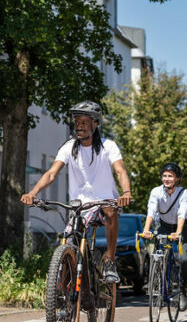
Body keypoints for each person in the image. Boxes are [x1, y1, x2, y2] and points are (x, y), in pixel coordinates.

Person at [21, 100, 131, 284]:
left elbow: (120, 171)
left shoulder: (108, 146)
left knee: (110, 209)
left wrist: (126, 192)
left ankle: (110, 259)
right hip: (79, 206)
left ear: (95, 124)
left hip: (104, 203)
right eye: (77, 123)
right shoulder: (69, 147)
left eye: (84, 123)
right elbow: (51, 174)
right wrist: (33, 192)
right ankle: (65, 291)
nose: (79, 127)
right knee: (68, 242)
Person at [141, 162, 187, 310]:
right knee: (158, 255)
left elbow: (182, 213)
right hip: (163, 226)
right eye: (164, 175)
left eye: (170, 176)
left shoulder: (184, 193)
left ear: (177, 179)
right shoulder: (156, 191)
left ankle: (182, 290)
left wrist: (178, 232)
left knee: (184, 260)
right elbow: (151, 210)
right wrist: (146, 229)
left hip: (181, 227)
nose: (166, 179)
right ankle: (158, 284)